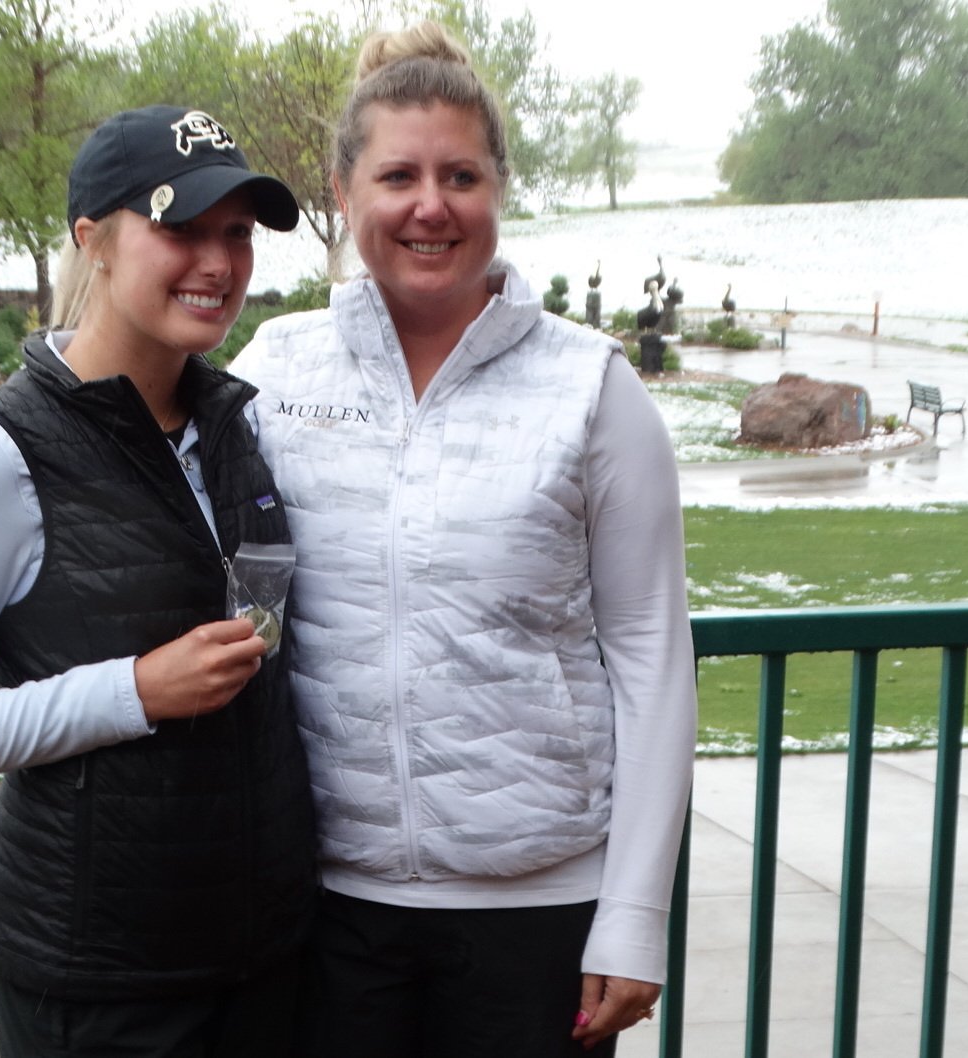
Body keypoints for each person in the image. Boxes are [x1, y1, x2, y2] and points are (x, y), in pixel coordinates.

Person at [230, 23, 697, 1058]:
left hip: (537, 918)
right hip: (324, 910)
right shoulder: (275, 371)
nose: (430, 205)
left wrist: (633, 913)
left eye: (461, 176)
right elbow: (232, 597)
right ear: (342, 192)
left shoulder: (591, 387)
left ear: (497, 190)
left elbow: (650, 655)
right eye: (397, 175)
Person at [0, 104, 317, 1058]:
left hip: (264, 960)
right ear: (94, 239)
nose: (218, 263)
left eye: (238, 233)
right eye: (181, 227)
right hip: (98, 983)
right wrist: (134, 691)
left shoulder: (235, 425)